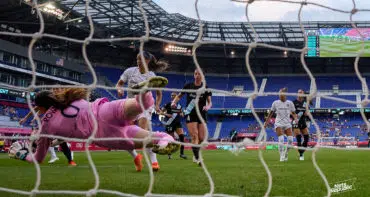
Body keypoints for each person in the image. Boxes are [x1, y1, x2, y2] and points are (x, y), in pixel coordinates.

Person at [9, 79, 180, 166]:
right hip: (103, 110)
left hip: (102, 134)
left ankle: (163, 140)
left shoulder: (46, 125)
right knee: (140, 104)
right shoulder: (69, 99)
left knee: (146, 139)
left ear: (40, 107)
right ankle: (144, 93)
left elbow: (38, 158)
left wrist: (22, 154)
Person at [116, 51, 168, 171]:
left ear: (148, 61)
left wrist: (157, 105)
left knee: (143, 132)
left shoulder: (151, 76)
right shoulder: (129, 71)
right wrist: (119, 90)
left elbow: (159, 93)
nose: (138, 61)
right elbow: (119, 84)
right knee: (125, 135)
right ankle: (136, 157)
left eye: (141, 59)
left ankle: (154, 163)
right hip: (130, 105)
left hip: (145, 106)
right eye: (137, 59)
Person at [171, 69, 212, 166]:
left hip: (201, 114)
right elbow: (179, 96)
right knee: (194, 135)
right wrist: (174, 102)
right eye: (195, 74)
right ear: (194, 75)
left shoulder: (206, 87)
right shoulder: (188, 86)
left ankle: (195, 153)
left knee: (201, 138)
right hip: (190, 113)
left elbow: (210, 102)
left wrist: (208, 106)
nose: (197, 75)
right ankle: (197, 158)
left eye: (199, 74)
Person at [264, 88, 298, 162]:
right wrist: (266, 123)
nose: (280, 95)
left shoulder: (290, 103)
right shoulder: (275, 103)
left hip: (287, 123)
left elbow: (294, 113)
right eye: (279, 94)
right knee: (281, 139)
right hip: (278, 123)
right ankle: (281, 156)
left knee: (290, 140)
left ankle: (285, 153)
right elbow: (270, 113)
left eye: (281, 94)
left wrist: (296, 119)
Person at [159, 92, 187, 159]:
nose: (172, 96)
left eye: (174, 95)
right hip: (170, 123)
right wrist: (166, 114)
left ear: (177, 96)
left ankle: (182, 153)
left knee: (182, 137)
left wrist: (182, 114)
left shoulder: (179, 105)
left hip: (177, 123)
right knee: (170, 139)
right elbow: (161, 112)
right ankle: (169, 153)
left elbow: (182, 114)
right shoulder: (168, 104)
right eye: (171, 95)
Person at [292, 89, 311, 161]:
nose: (299, 93)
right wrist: (295, 116)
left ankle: (302, 151)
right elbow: (290, 111)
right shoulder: (294, 102)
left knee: (306, 138)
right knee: (299, 138)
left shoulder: (305, 103)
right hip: (296, 121)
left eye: (301, 92)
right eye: (298, 92)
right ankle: (301, 154)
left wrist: (306, 111)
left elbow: (306, 113)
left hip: (303, 121)